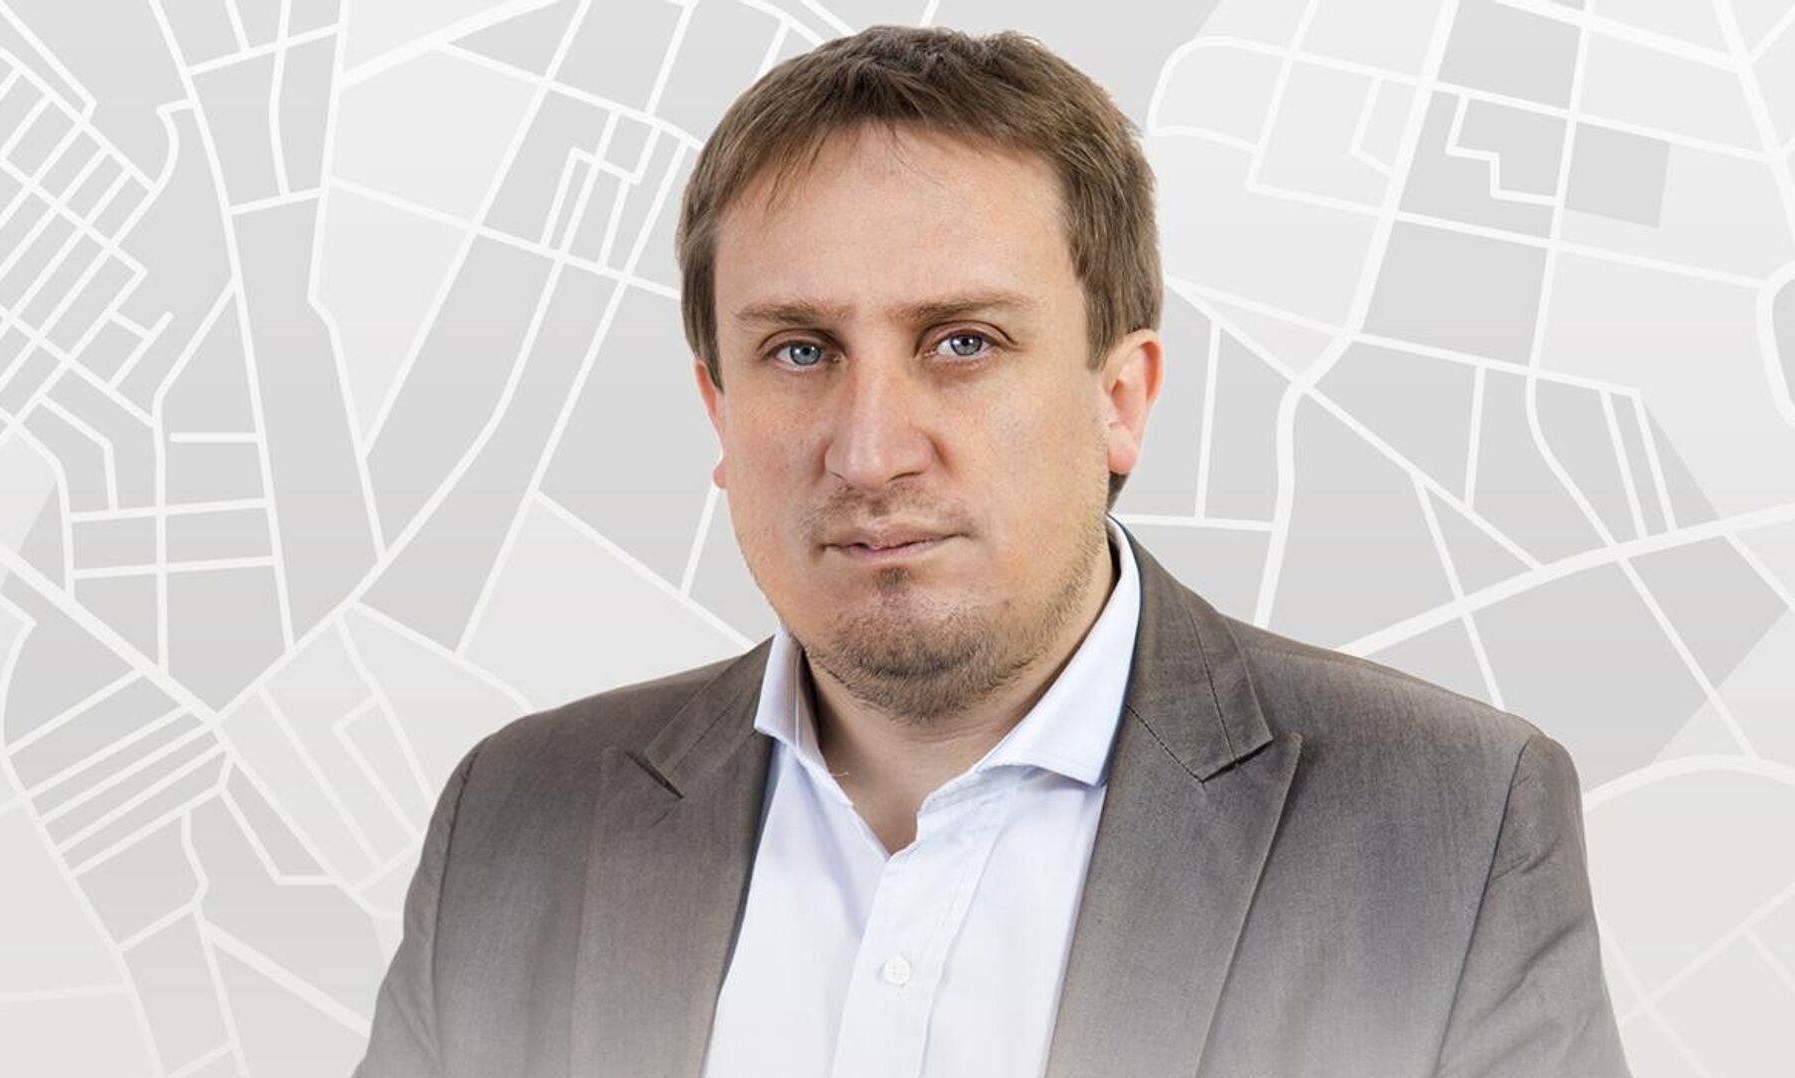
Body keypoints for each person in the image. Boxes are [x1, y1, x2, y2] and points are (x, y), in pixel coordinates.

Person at [355, 25, 1630, 1078]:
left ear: (1120, 398)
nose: (870, 451)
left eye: (962, 342)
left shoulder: (1449, 826)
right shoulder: (516, 822)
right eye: (799, 349)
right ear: (719, 412)